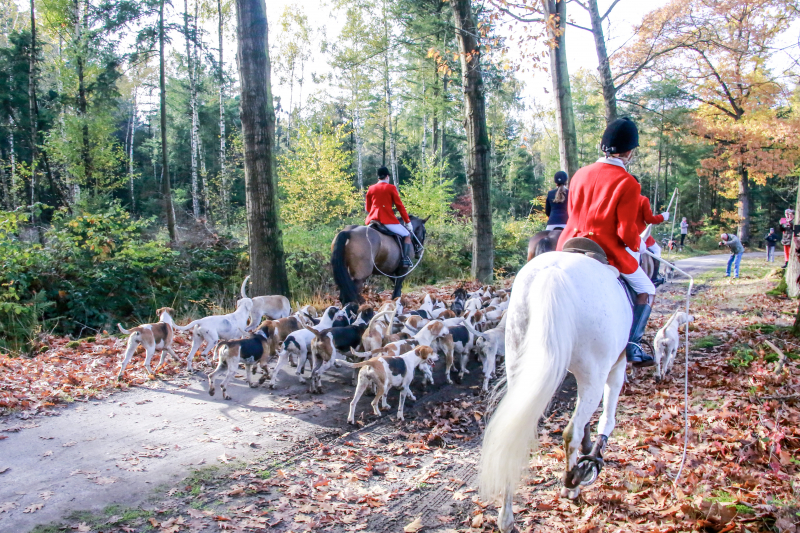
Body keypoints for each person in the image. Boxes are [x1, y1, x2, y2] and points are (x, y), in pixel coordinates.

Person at [556, 117, 656, 368]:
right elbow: (625, 232)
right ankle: (634, 345)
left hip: (568, 242)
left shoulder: (579, 174)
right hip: (606, 249)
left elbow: (573, 212)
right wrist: (639, 245)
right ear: (629, 151)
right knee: (647, 289)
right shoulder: (628, 182)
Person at [365, 167, 414, 268]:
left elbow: (367, 208)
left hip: (373, 220)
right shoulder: (391, 188)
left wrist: (375, 213)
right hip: (387, 220)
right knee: (406, 234)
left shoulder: (371, 188)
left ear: (378, 177)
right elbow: (399, 206)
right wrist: (407, 222)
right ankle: (405, 259)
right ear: (387, 176)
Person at [635, 194, 670, 286]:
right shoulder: (642, 199)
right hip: (640, 234)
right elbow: (649, 220)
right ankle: (654, 277)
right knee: (657, 250)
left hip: (620, 233)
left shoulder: (617, 197)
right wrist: (662, 217)